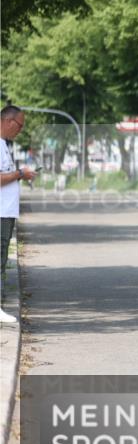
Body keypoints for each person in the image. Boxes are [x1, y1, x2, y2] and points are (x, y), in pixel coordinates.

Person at [1, 105, 36, 324]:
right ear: (8, 121)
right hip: (1, 213)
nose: (20, 130)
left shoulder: (4, 145)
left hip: (5, 212)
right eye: (19, 126)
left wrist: (19, 175)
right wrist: (20, 173)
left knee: (2, 258)